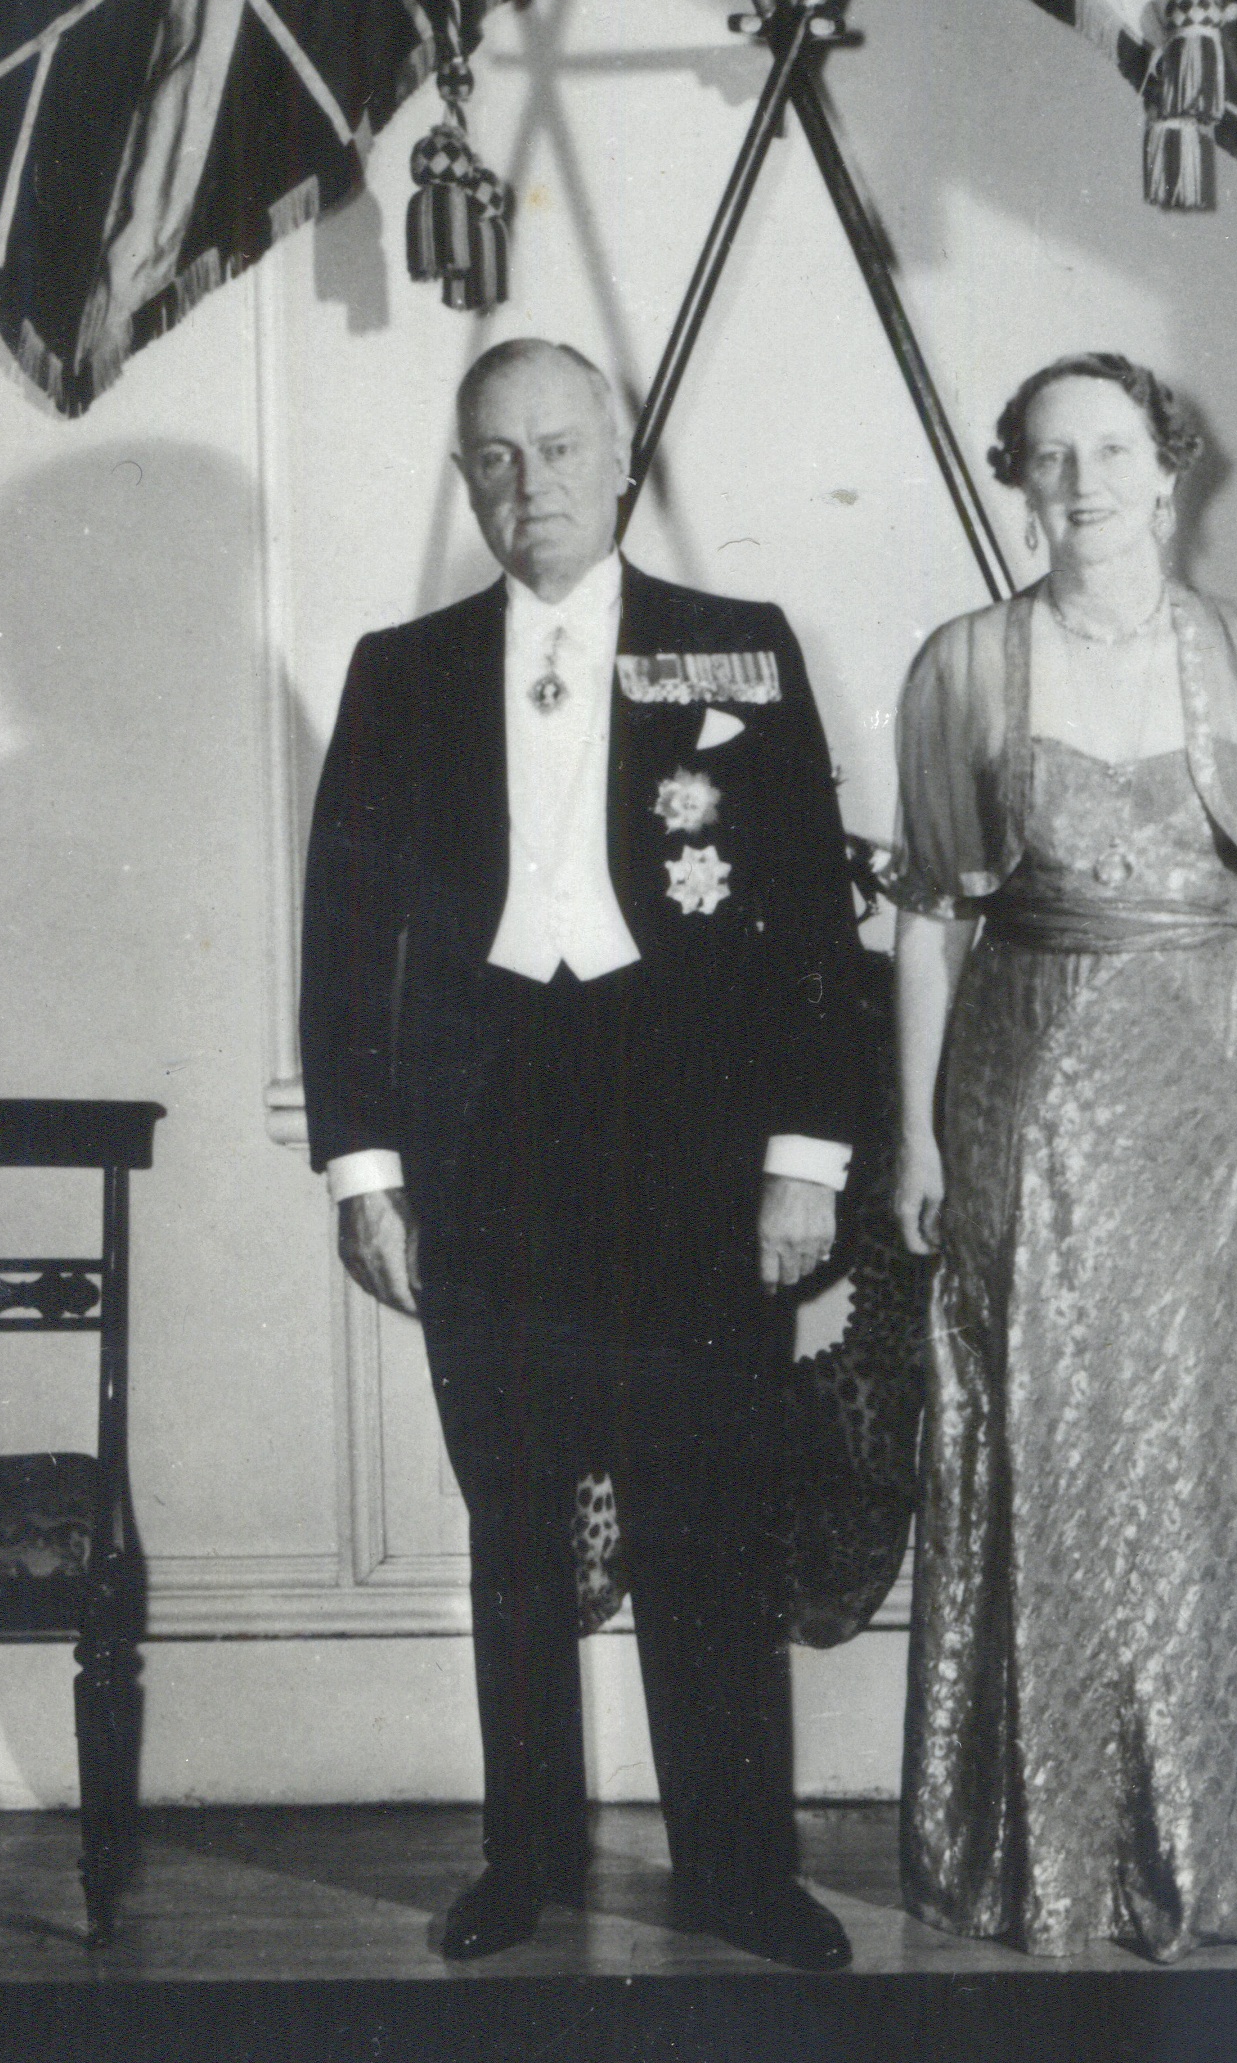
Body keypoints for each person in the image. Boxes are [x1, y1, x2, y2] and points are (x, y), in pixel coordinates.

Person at [300, 339, 862, 1971]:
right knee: (517, 1534)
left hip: (690, 1144)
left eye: (557, 449)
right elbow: (345, 944)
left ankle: (740, 1873)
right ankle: (525, 1861)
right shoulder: (399, 670)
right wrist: (361, 1171)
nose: (526, 486)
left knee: (705, 1525)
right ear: (462, 476)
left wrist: (804, 1159)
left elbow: (812, 930)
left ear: (621, 460)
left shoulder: (733, 650)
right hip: (486, 1151)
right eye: (491, 458)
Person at [886, 352, 1237, 1960]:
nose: (1078, 481)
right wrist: (917, 1135)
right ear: (1019, 479)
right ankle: (1040, 1850)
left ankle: (1202, 1841)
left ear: (1168, 469)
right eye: (1045, 456)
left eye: (1108, 450)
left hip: (1202, 1095)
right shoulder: (963, 665)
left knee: (1200, 1451)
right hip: (1021, 1100)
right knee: (1037, 1443)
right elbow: (931, 921)